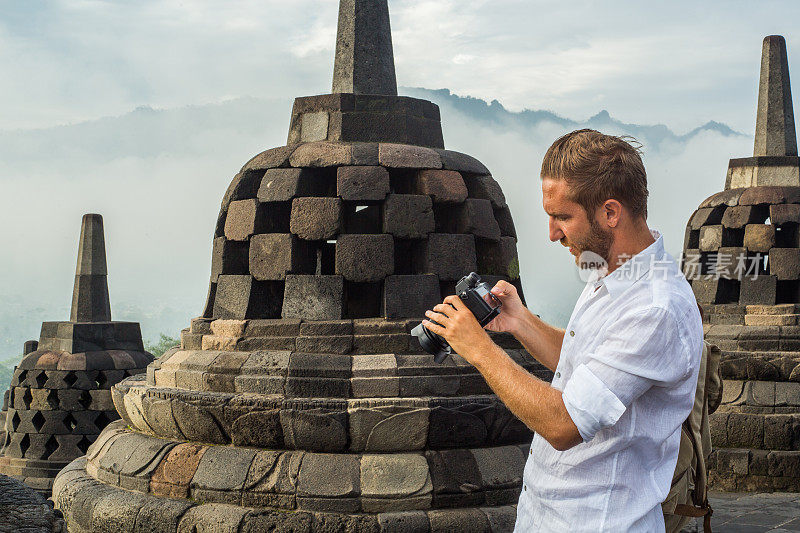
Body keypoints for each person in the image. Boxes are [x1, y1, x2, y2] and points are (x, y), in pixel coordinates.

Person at [421, 129, 704, 532]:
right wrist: (521, 321)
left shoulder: (655, 308)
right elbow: (587, 367)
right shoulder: (611, 270)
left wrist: (479, 348)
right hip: (548, 515)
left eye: (562, 217)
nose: (552, 234)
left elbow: (564, 424)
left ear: (610, 212)